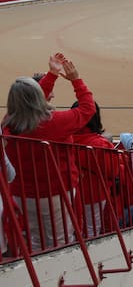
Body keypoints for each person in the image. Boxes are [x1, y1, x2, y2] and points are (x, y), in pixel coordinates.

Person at [2, 53, 95, 251]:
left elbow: (30, 101)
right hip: (55, 192)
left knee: (35, 240)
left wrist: (52, 74)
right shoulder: (53, 123)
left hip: (21, 193)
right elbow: (88, 109)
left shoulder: (8, 122)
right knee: (60, 240)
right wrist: (76, 80)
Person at [72, 102, 123, 238]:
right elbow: (113, 171)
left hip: (69, 193)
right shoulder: (101, 144)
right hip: (94, 193)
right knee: (91, 229)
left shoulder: (65, 139)